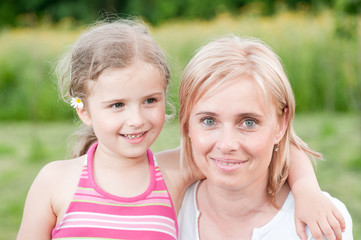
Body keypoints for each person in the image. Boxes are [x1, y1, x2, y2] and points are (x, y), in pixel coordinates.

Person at [17, 19, 345, 240]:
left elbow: (276, 147)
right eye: (117, 105)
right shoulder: (55, 180)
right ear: (84, 109)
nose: (136, 119)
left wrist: (307, 191)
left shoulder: (170, 173)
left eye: (149, 100)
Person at [176, 35, 353, 239]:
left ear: (281, 124)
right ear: (187, 122)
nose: (226, 144)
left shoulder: (321, 224)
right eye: (208, 121)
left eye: (248, 122)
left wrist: (305, 187)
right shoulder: (166, 212)